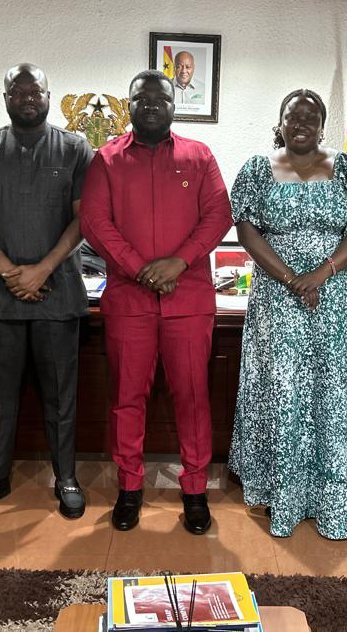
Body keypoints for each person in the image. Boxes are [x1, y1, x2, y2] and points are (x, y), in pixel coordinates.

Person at [79, 70, 231, 535]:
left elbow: (218, 215)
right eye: (141, 98)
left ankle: (195, 490)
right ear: (128, 105)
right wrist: (141, 269)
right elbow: (95, 222)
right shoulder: (106, 159)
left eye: (160, 98)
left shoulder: (198, 155)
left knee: (193, 397)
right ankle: (129, 486)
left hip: (188, 300)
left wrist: (178, 263)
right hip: (129, 300)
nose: (150, 105)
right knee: (127, 397)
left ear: (173, 105)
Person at [228, 89, 347, 540]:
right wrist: (291, 278)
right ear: (279, 123)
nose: (300, 124)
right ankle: (281, 491)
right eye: (292, 116)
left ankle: (337, 493)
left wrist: (320, 273)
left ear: (322, 124)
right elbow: (247, 230)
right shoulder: (257, 169)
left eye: (310, 117)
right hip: (277, 301)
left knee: (333, 388)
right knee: (283, 388)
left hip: (336, 297)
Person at [0, 63, 93, 520]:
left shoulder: (75, 148)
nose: (28, 98)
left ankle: (66, 477)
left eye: (36, 92)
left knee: (61, 397)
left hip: (58, 293)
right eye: (18, 91)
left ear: (49, 97)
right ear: (6, 97)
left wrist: (42, 270)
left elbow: (85, 219)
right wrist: (11, 272)